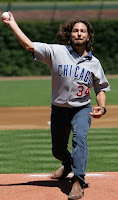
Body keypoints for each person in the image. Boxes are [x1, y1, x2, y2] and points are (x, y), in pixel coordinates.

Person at [2, 12, 110, 199]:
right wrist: (12, 24)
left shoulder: (94, 63)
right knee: (57, 149)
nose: (78, 33)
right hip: (59, 109)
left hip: (81, 108)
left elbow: (100, 88)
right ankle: (67, 163)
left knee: (80, 138)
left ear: (88, 36)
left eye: (82, 31)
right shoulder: (56, 52)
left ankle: (78, 181)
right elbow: (29, 45)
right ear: (70, 34)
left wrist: (102, 106)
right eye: (75, 30)